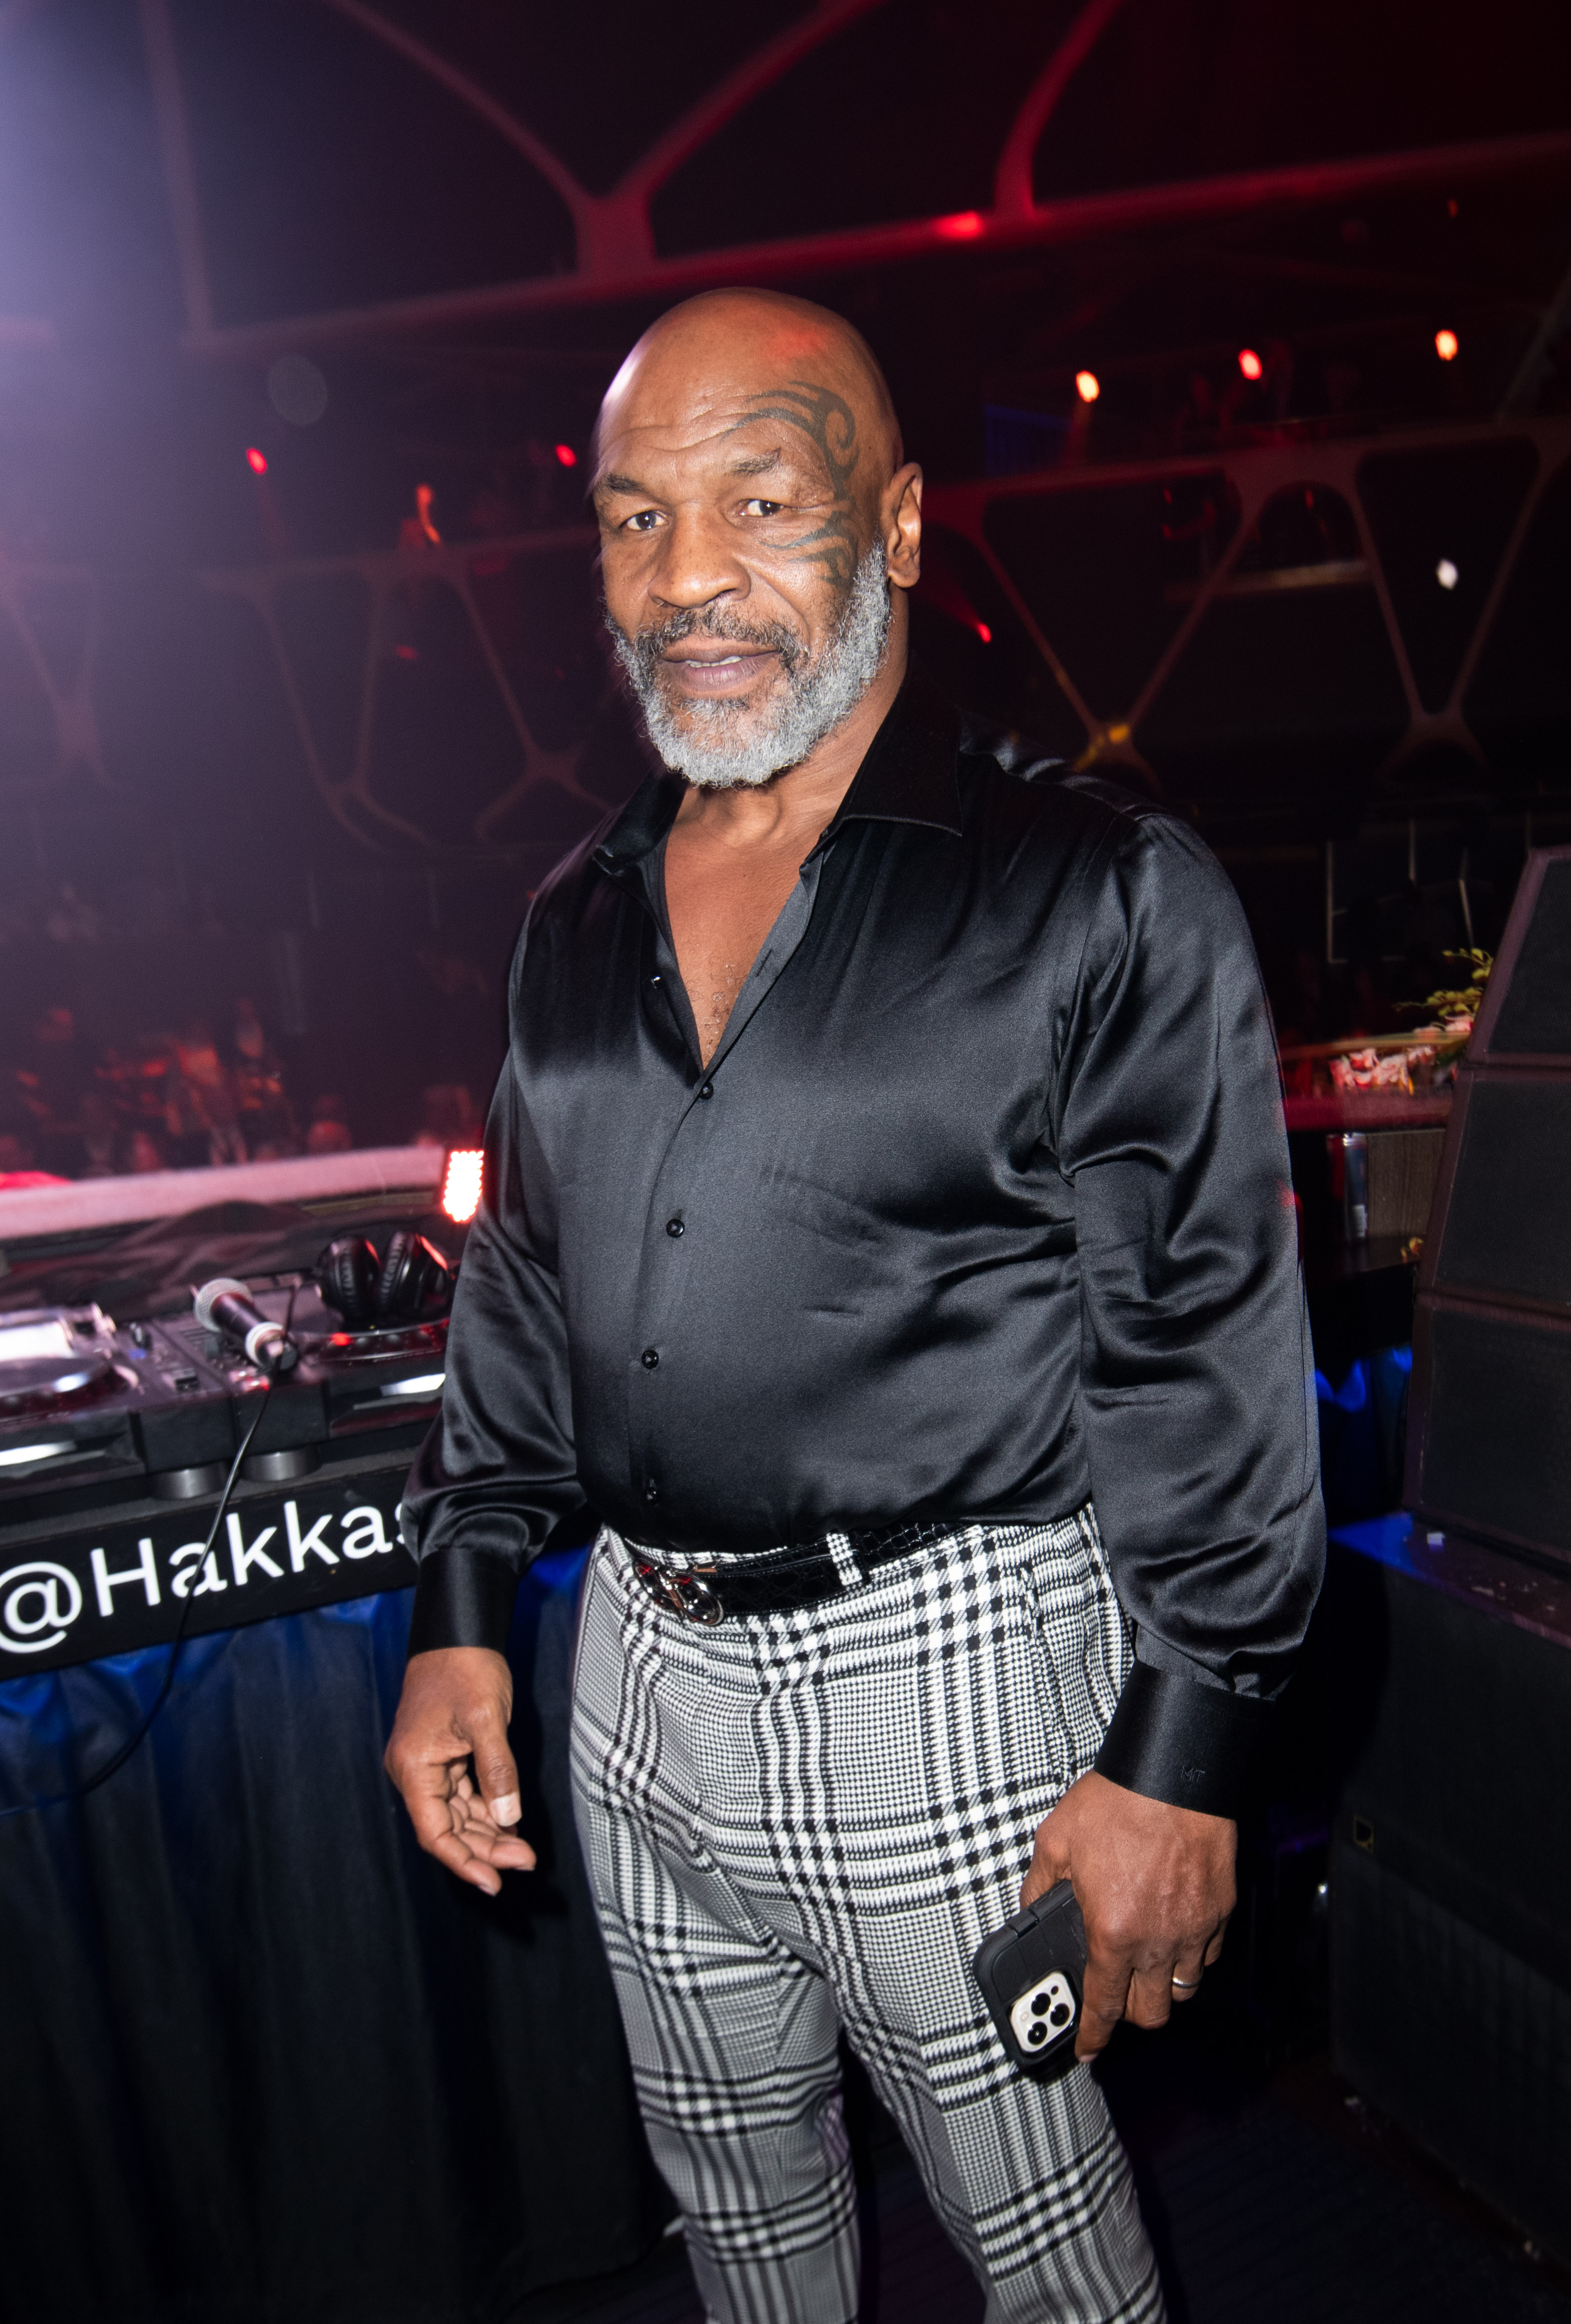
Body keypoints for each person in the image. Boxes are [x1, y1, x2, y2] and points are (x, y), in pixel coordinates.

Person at [385, 289, 1323, 2324]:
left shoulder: (1093, 886)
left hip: (951, 1670)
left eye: (758, 501)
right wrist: (464, 1610)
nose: (688, 576)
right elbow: (527, 1288)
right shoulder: (572, 916)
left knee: (1050, 2261)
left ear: (893, 525)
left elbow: (1209, 1349)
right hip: (630, 1669)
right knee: (740, 2221)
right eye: (635, 520)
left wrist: (1183, 1753)